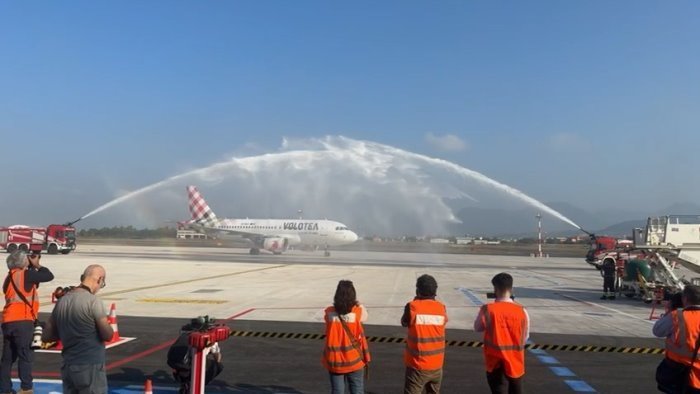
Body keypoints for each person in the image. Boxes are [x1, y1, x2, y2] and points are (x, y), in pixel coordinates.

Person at [43, 265, 113, 394]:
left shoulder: (62, 301)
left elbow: (47, 336)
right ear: (100, 280)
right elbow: (107, 335)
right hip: (89, 365)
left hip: (68, 365)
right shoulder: (93, 301)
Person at [1, 250, 54, 394]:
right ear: (23, 261)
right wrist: (37, 264)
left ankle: (5, 388)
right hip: (22, 321)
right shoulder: (26, 274)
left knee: (7, 358)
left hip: (7, 321)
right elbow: (48, 276)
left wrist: (29, 267)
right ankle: (26, 388)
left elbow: (28, 287)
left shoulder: (9, 278)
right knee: (25, 355)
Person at [474, 272, 529, 394]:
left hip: (495, 362)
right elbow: (525, 336)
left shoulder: (487, 309)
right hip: (515, 362)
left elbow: (477, 328)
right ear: (511, 289)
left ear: (495, 289)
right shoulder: (522, 310)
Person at [401, 274, 448, 394]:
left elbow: (404, 322)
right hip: (437, 365)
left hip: (418, 365)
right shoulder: (441, 307)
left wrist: (416, 300)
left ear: (418, 290)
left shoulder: (412, 306)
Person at [321, 280, 370, 394]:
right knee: (357, 389)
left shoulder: (329, 312)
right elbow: (365, 316)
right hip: (354, 360)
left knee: (337, 390)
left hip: (335, 360)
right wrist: (357, 303)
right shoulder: (357, 311)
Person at [653, 285, 700, 394]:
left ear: (685, 299)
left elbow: (657, 331)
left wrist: (670, 310)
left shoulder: (677, 316)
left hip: (680, 375)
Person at [167, 320, 224, 394]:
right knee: (218, 366)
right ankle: (197, 383)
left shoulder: (185, 334)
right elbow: (217, 356)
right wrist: (216, 359)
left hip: (177, 367)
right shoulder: (209, 338)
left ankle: (186, 384)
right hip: (191, 365)